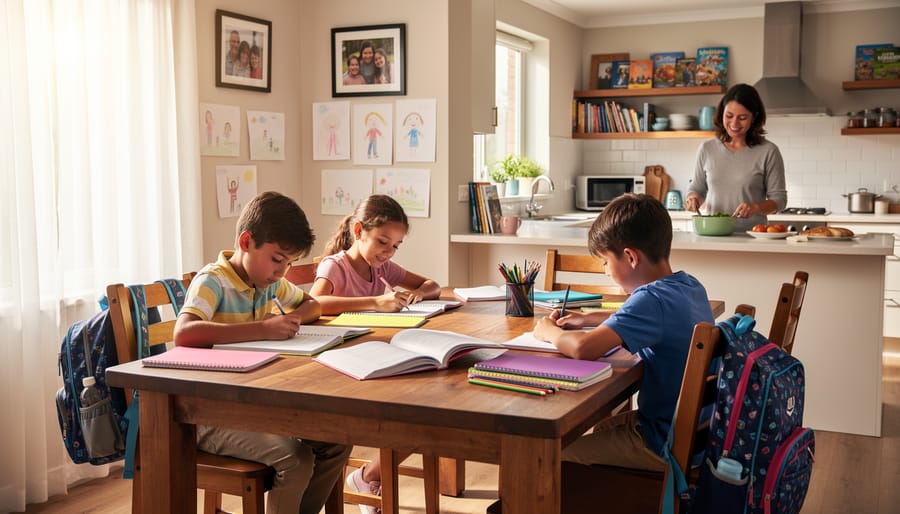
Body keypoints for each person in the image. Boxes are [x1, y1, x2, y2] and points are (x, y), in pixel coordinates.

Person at [174, 191, 351, 514]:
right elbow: (184, 334)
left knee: (336, 442)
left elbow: (312, 304)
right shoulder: (212, 281)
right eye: (277, 259)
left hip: (252, 406)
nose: (282, 271)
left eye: (290, 263)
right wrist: (263, 329)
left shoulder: (267, 282)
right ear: (246, 242)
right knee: (296, 458)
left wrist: (289, 320)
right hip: (208, 413)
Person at [532, 193, 714, 473]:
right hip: (693, 433)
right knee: (604, 427)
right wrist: (588, 318)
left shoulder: (650, 300)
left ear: (629, 256)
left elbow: (583, 350)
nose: (605, 271)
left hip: (663, 441)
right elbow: (652, 319)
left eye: (605, 262)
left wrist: (548, 332)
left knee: (544, 458)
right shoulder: (688, 285)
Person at [309, 194, 440, 514]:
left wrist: (417, 293)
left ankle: (368, 475)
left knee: (432, 409)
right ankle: (368, 477)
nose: (388, 252)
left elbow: (432, 285)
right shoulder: (336, 265)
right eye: (383, 242)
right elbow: (313, 304)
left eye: (396, 245)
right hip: (337, 369)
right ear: (358, 231)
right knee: (421, 415)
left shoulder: (381, 266)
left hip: (372, 361)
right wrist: (374, 303)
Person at [684, 83, 787, 232]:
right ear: (721, 114)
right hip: (713, 234)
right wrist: (692, 198)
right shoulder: (707, 149)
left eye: (742, 117)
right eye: (729, 116)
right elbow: (697, 189)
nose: (734, 123)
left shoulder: (768, 151)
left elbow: (780, 200)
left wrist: (755, 207)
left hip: (753, 236)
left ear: (754, 117)